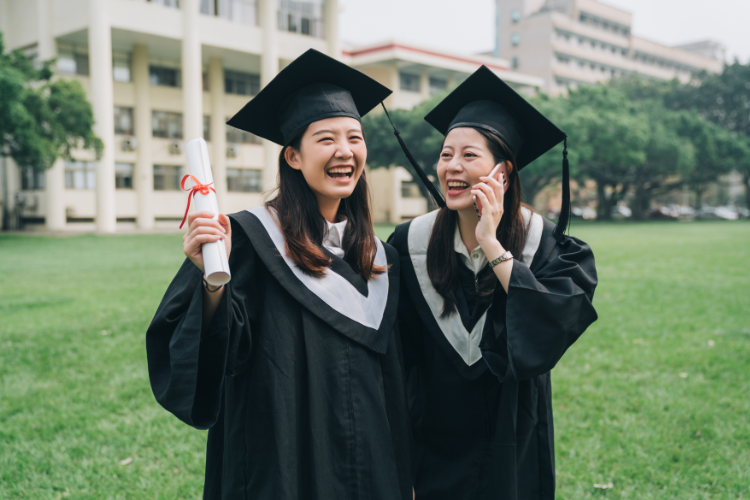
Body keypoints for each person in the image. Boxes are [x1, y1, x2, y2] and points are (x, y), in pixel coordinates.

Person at [146, 49, 411, 500]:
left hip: (370, 465)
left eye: (354, 137)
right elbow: (210, 360)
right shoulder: (246, 240)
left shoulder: (377, 257)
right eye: (326, 139)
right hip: (283, 458)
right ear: (293, 156)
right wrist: (211, 281)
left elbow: (398, 381)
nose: (345, 151)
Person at [388, 66, 598, 499]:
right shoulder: (409, 243)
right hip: (431, 440)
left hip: (513, 440)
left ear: (502, 171)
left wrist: (491, 243)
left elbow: (550, 330)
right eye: (446, 155)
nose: (452, 167)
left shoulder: (546, 245)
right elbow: (395, 356)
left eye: (469, 155)